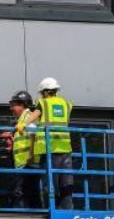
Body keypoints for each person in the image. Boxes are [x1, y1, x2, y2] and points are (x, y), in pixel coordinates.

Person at [18, 77, 74, 209]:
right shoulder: (66, 104)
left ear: (46, 92)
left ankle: (51, 210)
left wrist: (22, 124)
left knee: (49, 184)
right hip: (65, 148)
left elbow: (34, 115)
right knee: (66, 183)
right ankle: (67, 210)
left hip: (49, 149)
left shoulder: (43, 103)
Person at [6, 91, 42, 209]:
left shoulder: (28, 119)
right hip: (24, 164)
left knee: (21, 192)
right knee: (30, 192)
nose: (11, 108)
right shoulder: (22, 121)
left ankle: (24, 214)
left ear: (22, 105)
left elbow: (33, 137)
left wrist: (30, 157)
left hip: (28, 164)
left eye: (14, 105)